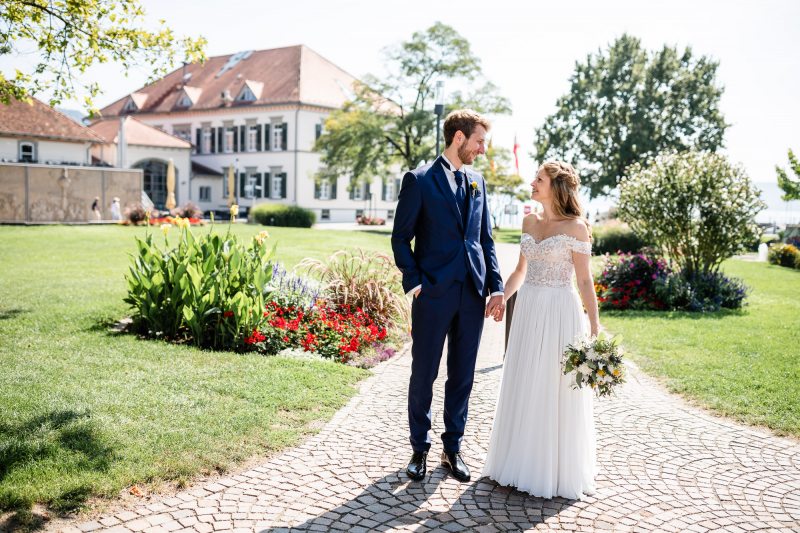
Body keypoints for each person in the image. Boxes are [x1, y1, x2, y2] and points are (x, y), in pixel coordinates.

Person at [391, 109, 504, 482]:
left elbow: (484, 239)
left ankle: (452, 448)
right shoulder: (419, 180)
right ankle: (419, 449)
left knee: (462, 375)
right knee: (424, 372)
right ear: (459, 138)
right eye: (479, 141)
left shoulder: (478, 182)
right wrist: (416, 281)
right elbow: (400, 237)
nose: (482, 149)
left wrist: (496, 286)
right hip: (434, 292)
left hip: (472, 292)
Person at [482, 160, 599, 500]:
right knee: (524, 379)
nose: (532, 183)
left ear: (556, 187)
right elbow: (521, 269)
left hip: (560, 311)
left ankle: (552, 469)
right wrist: (502, 293)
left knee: (553, 385)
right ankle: (515, 461)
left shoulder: (577, 227)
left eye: (539, 179)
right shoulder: (529, 221)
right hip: (529, 308)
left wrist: (594, 322)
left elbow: (583, 279)